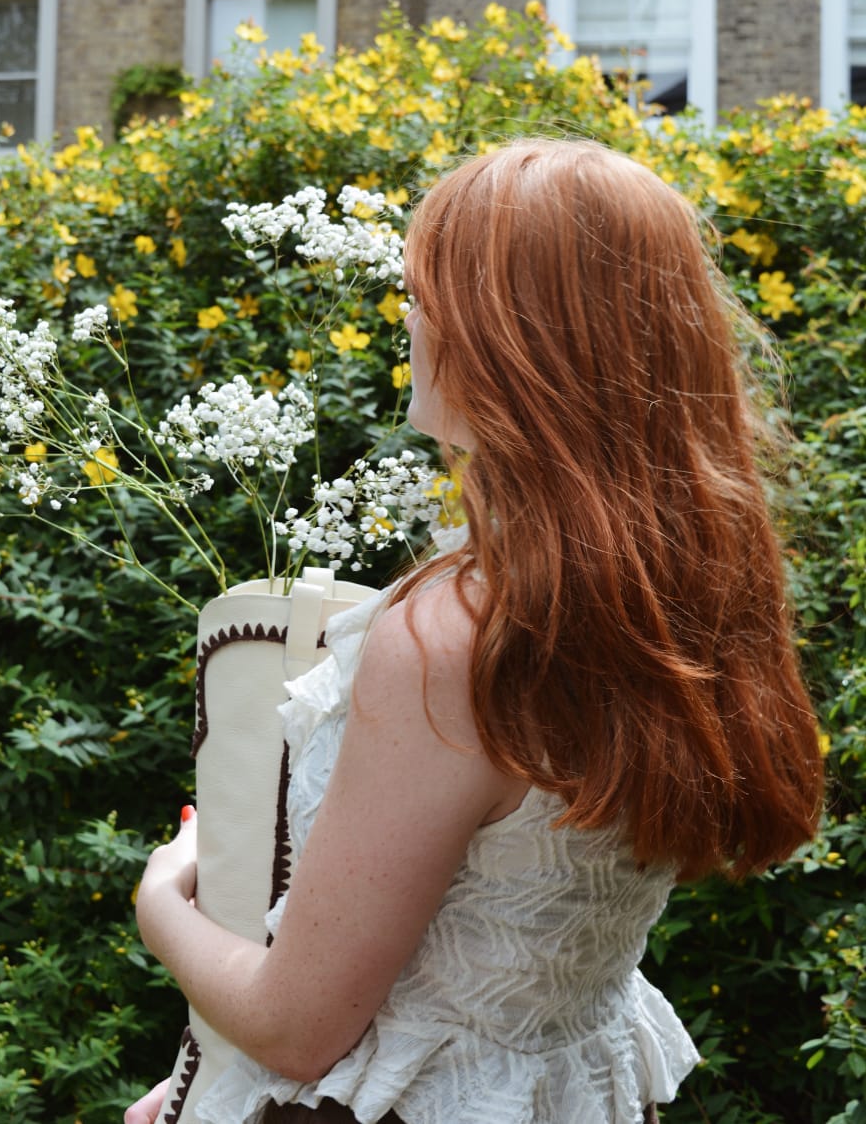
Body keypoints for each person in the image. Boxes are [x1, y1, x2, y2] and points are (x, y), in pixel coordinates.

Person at [127, 137, 824, 1124]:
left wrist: (161, 902)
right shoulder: (678, 595)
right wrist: (213, 1076)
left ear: (514, 342)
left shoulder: (457, 638)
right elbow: (500, 952)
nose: (408, 322)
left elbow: (298, 1027)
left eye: (427, 296)